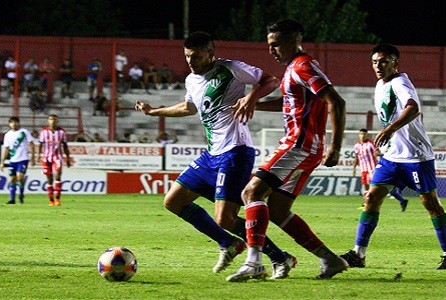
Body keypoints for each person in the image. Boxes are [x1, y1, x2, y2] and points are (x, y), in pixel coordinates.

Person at [135, 31, 297, 279]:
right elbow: (189, 107)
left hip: (235, 151)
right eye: (188, 56)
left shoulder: (230, 68)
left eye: (197, 56)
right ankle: (229, 244)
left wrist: (251, 97)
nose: (191, 61)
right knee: (173, 201)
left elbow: (270, 81)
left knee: (225, 217)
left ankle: (280, 258)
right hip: (212, 154)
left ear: (211, 54)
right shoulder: (192, 80)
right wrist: (155, 112)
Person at [226, 19, 348, 282]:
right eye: (269, 45)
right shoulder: (295, 68)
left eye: (276, 44)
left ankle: (254, 261)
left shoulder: (303, 66)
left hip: (299, 145)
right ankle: (330, 259)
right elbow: (289, 101)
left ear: (294, 40)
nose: (272, 50)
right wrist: (253, 103)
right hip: (303, 146)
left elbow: (336, 102)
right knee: (278, 210)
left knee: (252, 191)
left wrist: (336, 148)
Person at [339, 43, 446, 270]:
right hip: (392, 157)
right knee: (371, 198)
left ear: (396, 63)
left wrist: (389, 129)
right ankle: (359, 254)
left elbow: (413, 108)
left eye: (384, 61)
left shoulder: (400, 82)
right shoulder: (379, 85)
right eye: (375, 62)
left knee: (430, 203)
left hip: (416, 156)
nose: (378, 66)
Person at [353, 128, 408, 211]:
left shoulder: (370, 144)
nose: (362, 135)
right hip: (363, 169)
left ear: (367, 135)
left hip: (372, 169)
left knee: (375, 187)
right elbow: (357, 157)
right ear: (359, 135)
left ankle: (369, 204)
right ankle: (366, 204)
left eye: (364, 134)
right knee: (366, 187)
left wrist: (381, 153)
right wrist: (354, 167)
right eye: (361, 134)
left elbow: (377, 152)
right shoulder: (357, 145)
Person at [0, 117, 36, 204]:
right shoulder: (7, 135)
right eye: (12, 122)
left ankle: (21, 194)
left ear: (19, 123)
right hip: (13, 160)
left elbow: (31, 144)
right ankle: (12, 199)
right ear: (9, 124)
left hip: (23, 159)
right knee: (12, 179)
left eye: (16, 122)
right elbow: (6, 149)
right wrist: (2, 161)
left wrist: (33, 158)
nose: (14, 124)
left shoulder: (24, 132)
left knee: (20, 177)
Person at [38, 114, 71, 206]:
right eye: (50, 119)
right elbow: (40, 144)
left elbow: (65, 145)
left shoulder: (62, 132)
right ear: (48, 121)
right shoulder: (43, 132)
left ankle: (57, 199)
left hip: (57, 157)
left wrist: (68, 158)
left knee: (57, 176)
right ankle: (51, 200)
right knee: (49, 179)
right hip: (46, 158)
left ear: (57, 121)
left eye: (54, 120)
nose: (52, 121)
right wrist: (38, 155)